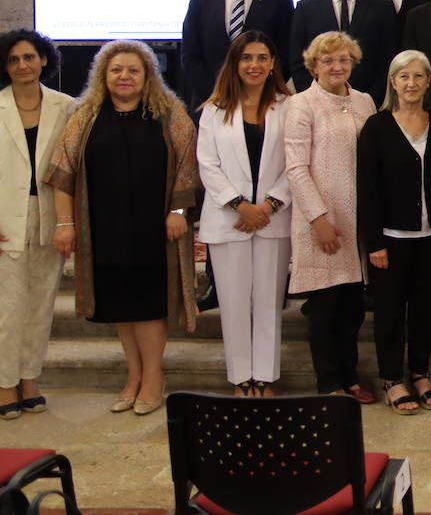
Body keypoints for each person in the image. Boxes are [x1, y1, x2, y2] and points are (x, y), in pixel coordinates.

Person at [47, 40, 199, 416]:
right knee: (120, 305)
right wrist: (65, 223)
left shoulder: (170, 113)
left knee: (147, 304)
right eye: (116, 70)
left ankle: (152, 378)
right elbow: (62, 172)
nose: (124, 76)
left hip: (155, 226)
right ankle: (133, 376)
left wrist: (178, 210)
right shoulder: (84, 115)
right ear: (103, 75)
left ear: (148, 74)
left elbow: (188, 166)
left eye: (133, 69)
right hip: (104, 225)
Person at [195, 31, 293, 397]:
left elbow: (295, 161)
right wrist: (240, 205)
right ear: (235, 64)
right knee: (234, 304)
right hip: (229, 218)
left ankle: (264, 378)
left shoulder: (288, 106)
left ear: (272, 64)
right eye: (247, 58)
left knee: (269, 302)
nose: (254, 65)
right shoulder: (214, 109)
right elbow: (207, 164)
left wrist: (268, 205)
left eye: (262, 58)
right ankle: (241, 379)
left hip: (273, 216)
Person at [283, 31, 376, 402]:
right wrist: (318, 218)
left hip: (358, 225)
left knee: (352, 308)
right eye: (328, 60)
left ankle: (351, 376)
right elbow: (296, 168)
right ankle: (329, 382)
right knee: (325, 310)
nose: (337, 66)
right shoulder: (301, 104)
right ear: (313, 65)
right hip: (321, 222)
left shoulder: (365, 101)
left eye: (343, 59)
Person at [357, 51, 431, 415]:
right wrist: (374, 242)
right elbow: (368, 189)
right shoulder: (376, 127)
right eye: (403, 77)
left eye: (418, 76)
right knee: (391, 313)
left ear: (428, 83)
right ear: (392, 83)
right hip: (390, 240)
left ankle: (421, 373)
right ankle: (393, 379)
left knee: (426, 311)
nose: (411, 83)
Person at [0, 30, 74, 418]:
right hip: (4, 215)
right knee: (6, 306)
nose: (22, 65)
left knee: (41, 303)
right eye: (13, 60)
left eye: (29, 57)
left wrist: (69, 220)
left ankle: (30, 378)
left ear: (43, 60)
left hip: (49, 214)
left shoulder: (67, 107)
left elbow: (71, 168)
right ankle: (5, 383)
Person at [180, 0, 294, 110]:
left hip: (261, 103)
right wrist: (217, 95)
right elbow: (190, 55)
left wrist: (258, 93)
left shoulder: (280, 0)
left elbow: (285, 56)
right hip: (209, 102)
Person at [289, 0, 398, 105]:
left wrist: (369, 100)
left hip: (367, 105)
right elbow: (297, 62)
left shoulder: (381, 7)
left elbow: (387, 60)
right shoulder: (305, 8)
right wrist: (314, 100)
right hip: (318, 107)